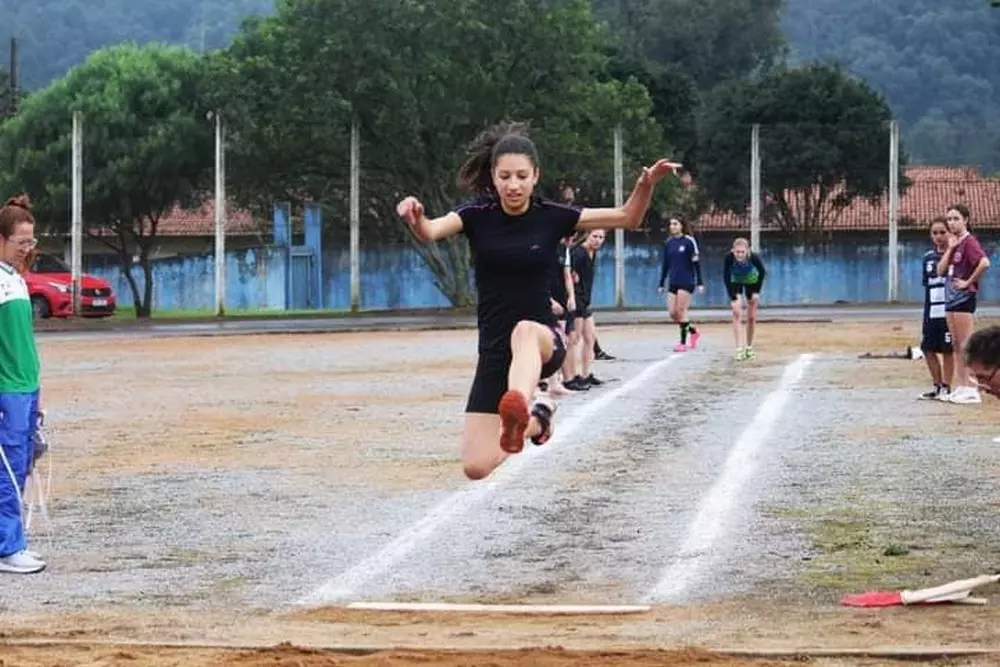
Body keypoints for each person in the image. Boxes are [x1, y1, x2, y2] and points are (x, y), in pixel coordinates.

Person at [396, 122, 680, 480]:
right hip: (495, 351)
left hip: (543, 340)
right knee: (476, 466)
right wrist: (415, 218)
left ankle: (519, 402)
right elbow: (431, 230)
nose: (513, 185)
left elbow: (628, 217)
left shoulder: (553, 216)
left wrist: (645, 184)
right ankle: (536, 421)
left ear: (535, 176)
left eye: (521, 176)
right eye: (504, 176)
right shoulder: (475, 215)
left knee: (525, 331)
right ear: (494, 178)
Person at [0, 194, 45, 574]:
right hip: (7, 390)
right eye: (21, 243)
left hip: (26, 386)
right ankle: (6, 548)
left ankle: (14, 541)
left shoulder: (16, 279)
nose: (27, 250)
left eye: (31, 242)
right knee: (8, 469)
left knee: (23, 463)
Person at [937, 204, 990, 405]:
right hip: (950, 299)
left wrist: (968, 282)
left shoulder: (969, 242)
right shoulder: (955, 244)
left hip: (963, 298)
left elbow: (984, 262)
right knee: (956, 345)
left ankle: (972, 387)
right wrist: (949, 248)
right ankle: (961, 385)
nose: (952, 223)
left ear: (965, 220)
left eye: (956, 218)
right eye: (949, 219)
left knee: (967, 343)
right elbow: (941, 271)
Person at [918, 217, 954, 401]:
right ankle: (937, 385)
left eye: (942, 232)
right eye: (935, 233)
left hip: (949, 310)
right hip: (931, 310)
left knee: (948, 349)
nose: (939, 236)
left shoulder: (956, 255)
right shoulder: (927, 258)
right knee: (927, 348)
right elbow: (927, 284)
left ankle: (947, 387)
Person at [566, 229, 606, 389]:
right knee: (574, 339)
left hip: (585, 300)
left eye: (601, 237)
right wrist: (572, 298)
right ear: (587, 235)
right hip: (576, 300)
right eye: (594, 236)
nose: (597, 240)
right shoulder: (578, 253)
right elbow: (568, 274)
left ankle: (586, 374)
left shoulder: (592, 253)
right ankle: (572, 375)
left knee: (590, 337)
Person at [657, 215, 703, 352]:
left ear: (682, 225)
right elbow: (665, 264)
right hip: (673, 281)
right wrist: (661, 283)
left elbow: (696, 263)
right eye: (671, 224)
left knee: (681, 311)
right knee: (672, 313)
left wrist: (700, 282)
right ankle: (693, 331)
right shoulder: (669, 243)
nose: (673, 226)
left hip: (686, 281)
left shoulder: (689, 241)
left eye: (675, 224)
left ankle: (683, 343)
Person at [723, 237, 766, 360]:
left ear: (747, 251)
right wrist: (732, 297)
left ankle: (749, 347)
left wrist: (757, 292)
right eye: (737, 252)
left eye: (742, 252)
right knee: (736, 312)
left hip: (751, 281)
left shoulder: (754, 258)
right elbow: (726, 276)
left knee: (751, 317)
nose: (740, 255)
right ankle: (738, 349)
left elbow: (762, 272)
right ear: (733, 251)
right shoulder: (729, 258)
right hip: (735, 281)